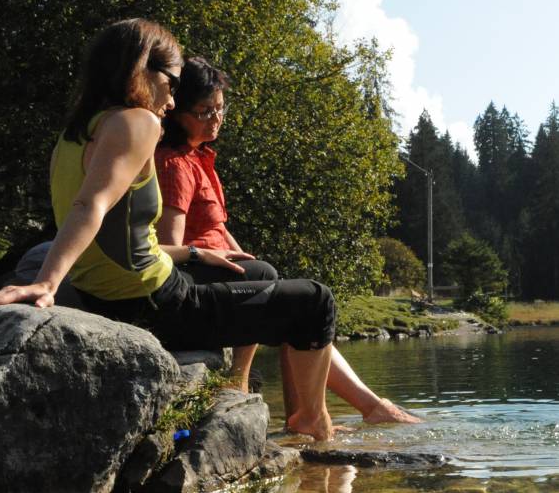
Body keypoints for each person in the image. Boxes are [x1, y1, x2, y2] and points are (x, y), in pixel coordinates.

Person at [0, 18, 337, 441]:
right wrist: (46, 283)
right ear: (143, 70)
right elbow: (92, 205)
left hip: (114, 291)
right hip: (152, 304)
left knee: (258, 272)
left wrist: (196, 254)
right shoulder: (138, 122)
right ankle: (312, 427)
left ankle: (262, 403)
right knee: (316, 303)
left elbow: (121, 236)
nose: (174, 96)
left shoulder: (76, 132)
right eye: (174, 81)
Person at [156, 56, 419, 425]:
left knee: (281, 293)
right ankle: (333, 408)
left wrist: (242, 256)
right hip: (192, 284)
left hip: (215, 271)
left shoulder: (197, 159)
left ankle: (318, 413)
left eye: (219, 109)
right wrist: (225, 260)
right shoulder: (173, 165)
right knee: (281, 289)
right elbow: (171, 243)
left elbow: (217, 230)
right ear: (176, 113)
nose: (215, 119)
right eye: (203, 112)